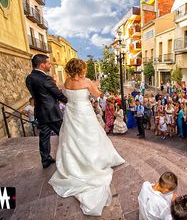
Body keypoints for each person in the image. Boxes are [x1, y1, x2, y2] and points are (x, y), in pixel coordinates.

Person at [48, 58, 125, 216]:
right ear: (81, 69)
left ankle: (75, 165)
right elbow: (97, 95)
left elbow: (64, 94)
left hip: (71, 113)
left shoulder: (67, 82)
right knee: (92, 138)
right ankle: (94, 162)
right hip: (84, 113)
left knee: (72, 140)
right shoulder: (87, 81)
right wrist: (96, 85)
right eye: (84, 68)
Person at [26, 54, 68, 168]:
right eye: (48, 63)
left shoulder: (29, 78)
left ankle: (45, 159)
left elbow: (38, 94)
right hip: (52, 113)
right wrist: (70, 102)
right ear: (42, 65)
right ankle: (69, 158)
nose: (50, 65)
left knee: (44, 136)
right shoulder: (45, 78)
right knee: (65, 134)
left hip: (40, 112)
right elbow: (58, 94)